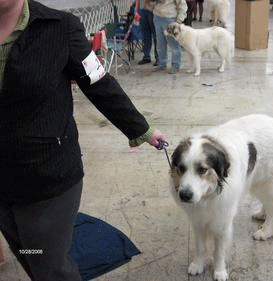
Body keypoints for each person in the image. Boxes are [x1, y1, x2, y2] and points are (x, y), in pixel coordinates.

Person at [0, 0, 167, 280]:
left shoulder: (59, 28)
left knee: (49, 263)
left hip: (46, 180)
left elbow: (99, 83)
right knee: (26, 251)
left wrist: (143, 130)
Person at [153, 0, 187, 74]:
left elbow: (182, 4)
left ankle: (176, 65)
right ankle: (162, 63)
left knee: (174, 44)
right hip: (157, 17)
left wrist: (179, 20)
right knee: (160, 43)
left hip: (170, 18)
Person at [138, 0, 159, 66]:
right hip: (143, 9)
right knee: (146, 35)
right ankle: (146, 56)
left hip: (153, 9)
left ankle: (158, 58)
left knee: (156, 35)